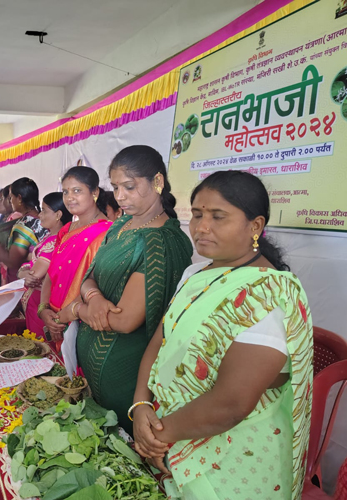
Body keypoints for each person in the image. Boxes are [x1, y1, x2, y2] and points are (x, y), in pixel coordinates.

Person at [131, 170, 313, 500]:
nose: (201, 227)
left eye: (218, 216)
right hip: (171, 432)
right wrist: (141, 404)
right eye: (197, 214)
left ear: (255, 226)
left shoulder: (268, 295)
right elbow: (161, 340)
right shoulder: (195, 273)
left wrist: (155, 436)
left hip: (236, 458)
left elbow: (231, 404)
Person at [66, 146, 192, 434]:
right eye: (115, 187)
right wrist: (95, 298)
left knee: (122, 446)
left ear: (157, 182)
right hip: (91, 366)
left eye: (129, 187)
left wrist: (77, 309)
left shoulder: (162, 241)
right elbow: (89, 276)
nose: (120, 196)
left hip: (126, 376)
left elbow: (124, 321)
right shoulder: (121, 225)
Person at [38, 167, 111, 343]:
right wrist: (43, 309)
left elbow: (100, 283)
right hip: (54, 316)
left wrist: (65, 315)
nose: (69, 197)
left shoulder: (108, 232)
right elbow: (51, 274)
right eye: (65, 192)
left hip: (82, 321)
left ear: (94, 192)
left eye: (77, 191)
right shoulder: (66, 230)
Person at [18, 192, 72, 336]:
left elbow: (34, 274)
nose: (40, 215)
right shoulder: (50, 236)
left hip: (41, 302)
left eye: (44, 210)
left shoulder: (55, 241)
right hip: (37, 301)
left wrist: (23, 272)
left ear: (58, 215)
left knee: (42, 343)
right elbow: (30, 267)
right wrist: (23, 271)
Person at [0, 178, 49, 285]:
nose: (10, 201)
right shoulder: (43, 219)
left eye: (11, 197)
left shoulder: (25, 225)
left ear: (19, 198)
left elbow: (12, 262)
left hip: (26, 281)